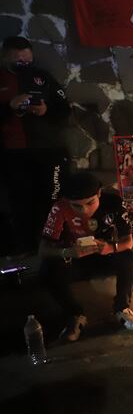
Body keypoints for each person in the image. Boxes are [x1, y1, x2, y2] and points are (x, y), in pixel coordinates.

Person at [38, 172, 133, 341]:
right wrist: (68, 252)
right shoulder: (60, 208)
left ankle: (122, 309)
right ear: (67, 201)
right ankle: (75, 316)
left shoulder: (113, 203)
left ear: (99, 194)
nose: (85, 211)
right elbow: (43, 250)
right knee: (46, 270)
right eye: (77, 206)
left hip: (105, 254)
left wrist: (110, 247)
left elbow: (128, 242)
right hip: (75, 260)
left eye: (90, 203)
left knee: (128, 260)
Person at [0, 36, 71, 257]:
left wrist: (45, 110)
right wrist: (8, 107)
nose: (23, 63)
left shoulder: (43, 77)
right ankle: (25, 248)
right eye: (18, 59)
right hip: (13, 153)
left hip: (48, 151)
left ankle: (52, 243)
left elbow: (65, 110)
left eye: (27, 59)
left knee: (52, 198)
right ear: (5, 57)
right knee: (19, 201)